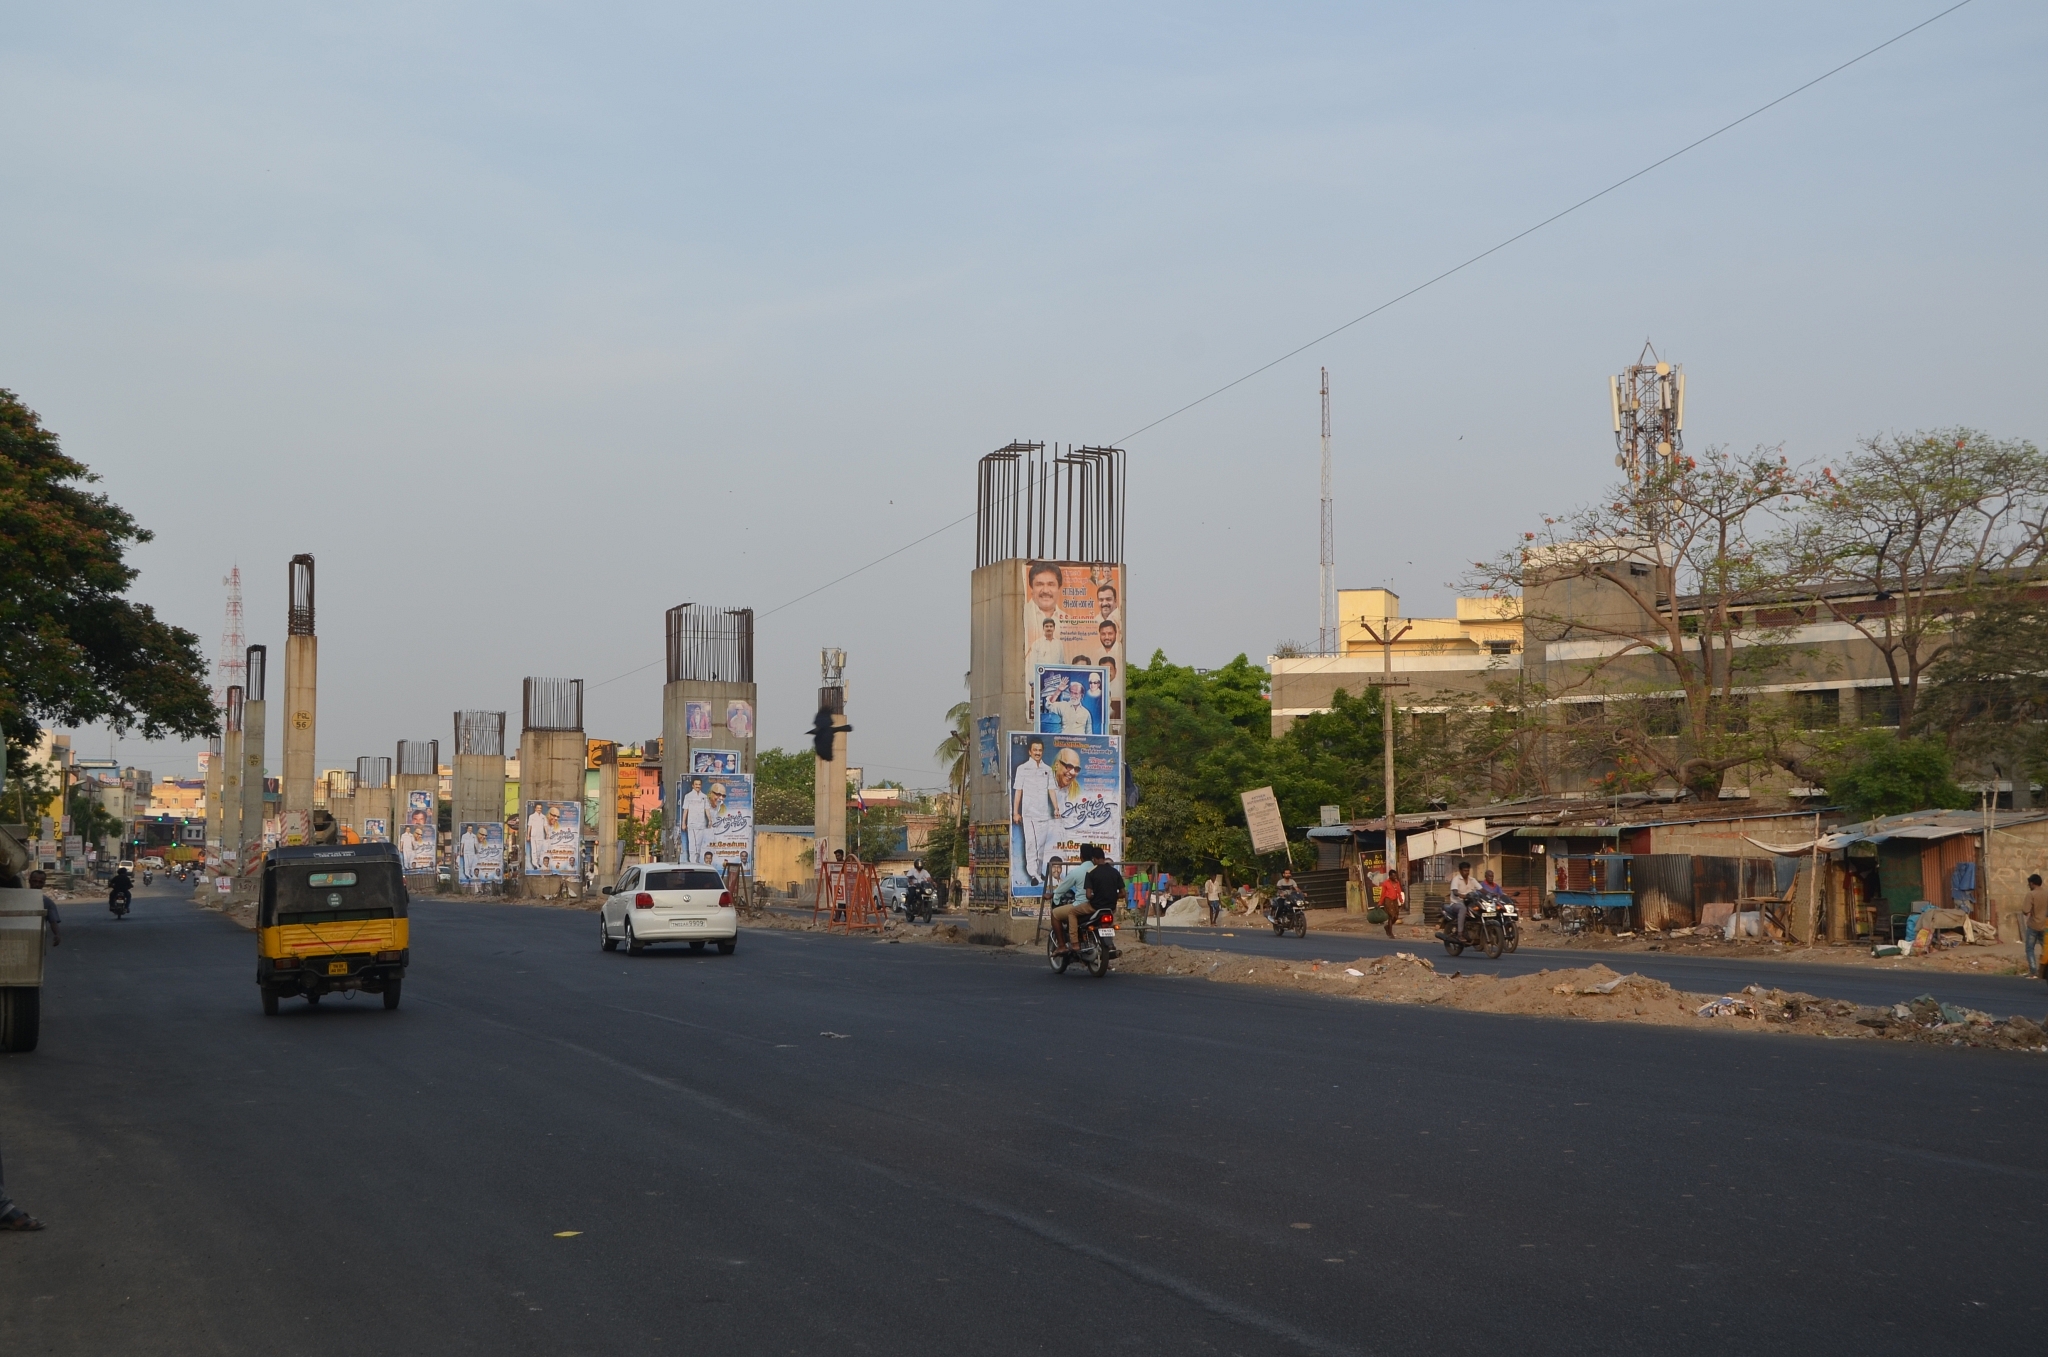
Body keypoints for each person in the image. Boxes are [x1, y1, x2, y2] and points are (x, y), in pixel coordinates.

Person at [1011, 737, 1058, 887]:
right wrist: (1015, 812)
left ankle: (1038, 871)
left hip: (1043, 813)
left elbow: (1051, 790)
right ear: (1030, 752)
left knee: (1041, 845)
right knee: (1031, 843)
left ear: (1042, 751)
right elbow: (1018, 791)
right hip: (1028, 814)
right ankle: (1033, 874)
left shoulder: (1047, 770)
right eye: (1035, 750)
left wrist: (1056, 808)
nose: (1037, 753)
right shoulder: (1022, 769)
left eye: (1040, 750)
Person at [1048, 852, 1090, 952]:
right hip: (1104, 906)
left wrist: (1054, 895)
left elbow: (1063, 888)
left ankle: (1065, 945)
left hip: (1086, 905)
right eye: (1054, 867)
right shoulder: (1099, 870)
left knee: (1061, 913)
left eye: (1059, 867)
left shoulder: (1078, 871)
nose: (1057, 870)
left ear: (1081, 858)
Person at [680, 776, 713, 865]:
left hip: (701, 824)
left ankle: (696, 862)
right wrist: (683, 823)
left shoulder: (704, 797)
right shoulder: (688, 796)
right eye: (696, 784)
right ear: (693, 786)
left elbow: (707, 809)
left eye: (699, 784)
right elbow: (685, 810)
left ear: (701, 785)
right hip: (692, 824)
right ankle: (692, 863)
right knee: (692, 845)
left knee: (698, 845)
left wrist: (710, 820)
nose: (698, 786)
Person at [27, 870, 62, 948]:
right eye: (34, 881)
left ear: (44, 884)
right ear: (29, 881)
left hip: (37, 938)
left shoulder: (47, 902)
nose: (37, 884)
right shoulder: (20, 898)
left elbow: (53, 921)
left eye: (40, 882)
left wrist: (57, 934)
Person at [1444, 860, 1479, 938]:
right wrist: (1463, 896)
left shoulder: (1472, 880)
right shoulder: (1456, 880)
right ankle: (1460, 933)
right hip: (1456, 903)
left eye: (1468, 870)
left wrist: (1490, 894)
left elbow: (1481, 889)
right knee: (1462, 908)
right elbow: (1455, 892)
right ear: (1460, 871)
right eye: (1464, 870)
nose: (1466, 872)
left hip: (1470, 903)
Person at [2026, 873, 2048, 979]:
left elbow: (2025, 910)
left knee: (2030, 948)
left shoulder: (2031, 894)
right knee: (2045, 948)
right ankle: (2044, 972)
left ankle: (2033, 972)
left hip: (2033, 925)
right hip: (2045, 926)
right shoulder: (2046, 893)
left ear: (2032, 883)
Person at [1377, 871, 1405, 939]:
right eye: (1393, 876)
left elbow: (1399, 892)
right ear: (1390, 876)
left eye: (1395, 875)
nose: (1395, 877)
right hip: (1388, 900)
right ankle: (1390, 932)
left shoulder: (1397, 882)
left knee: (1396, 916)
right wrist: (1380, 903)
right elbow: (1383, 894)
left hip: (1394, 900)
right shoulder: (1386, 883)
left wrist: (1401, 901)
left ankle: (1387, 927)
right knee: (1391, 916)